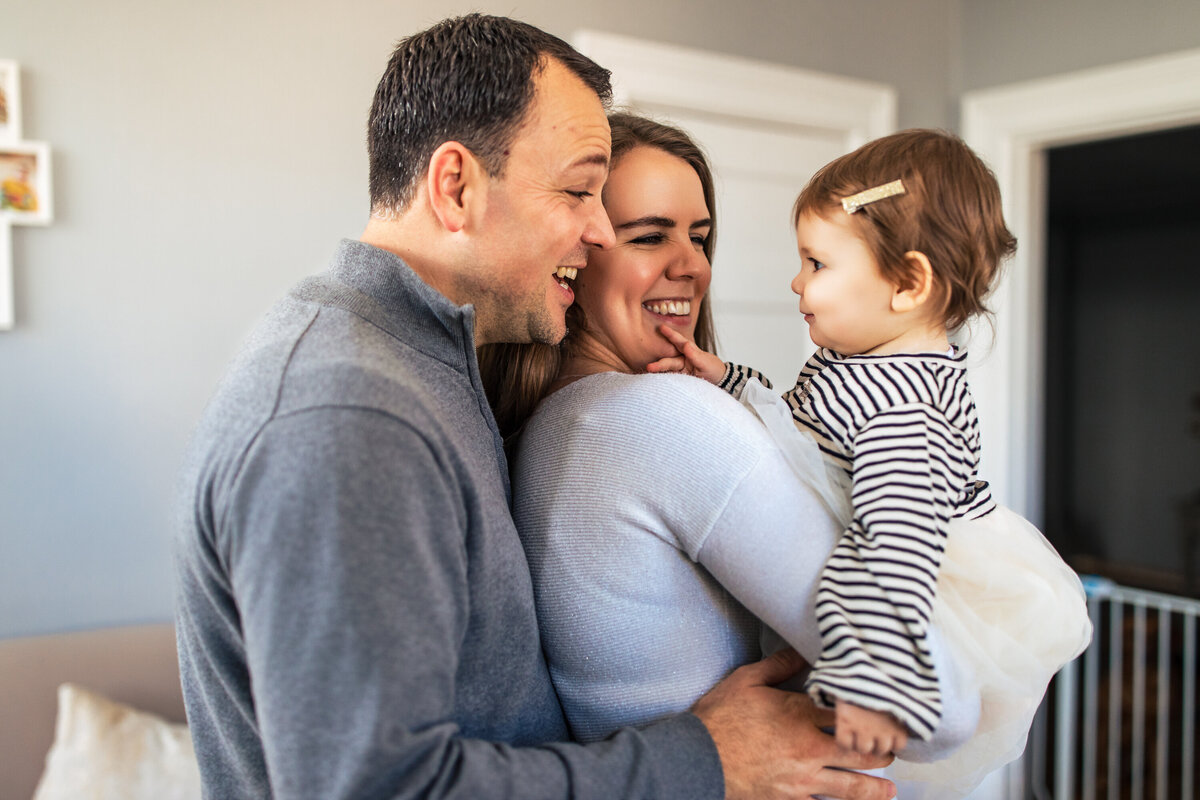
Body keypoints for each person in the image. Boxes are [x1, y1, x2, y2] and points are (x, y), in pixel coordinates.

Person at [174, 15, 895, 800]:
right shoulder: (349, 413)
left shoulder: (431, 364)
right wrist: (705, 760)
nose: (598, 230)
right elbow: (377, 788)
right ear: (456, 187)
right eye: (580, 190)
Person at [482, 114, 982, 793]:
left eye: (701, 235)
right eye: (651, 235)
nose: (692, 265)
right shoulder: (664, 421)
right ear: (581, 249)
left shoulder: (540, 430)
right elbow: (943, 713)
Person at [659, 128, 1093, 798]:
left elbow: (895, 554)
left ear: (909, 283)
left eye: (818, 264)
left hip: (911, 598)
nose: (796, 280)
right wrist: (726, 378)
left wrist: (874, 682)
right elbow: (801, 426)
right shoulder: (864, 364)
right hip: (889, 572)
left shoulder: (905, 416)